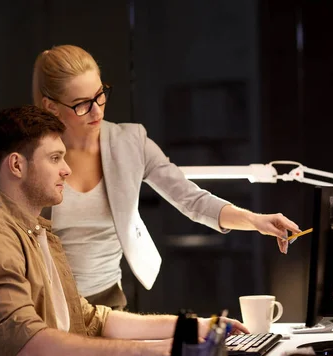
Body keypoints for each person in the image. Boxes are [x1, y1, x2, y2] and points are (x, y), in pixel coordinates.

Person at [0, 105, 248, 356]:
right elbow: (28, 343)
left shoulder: (39, 234)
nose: (67, 170)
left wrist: (192, 327)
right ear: (17, 165)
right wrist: (149, 352)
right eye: (54, 158)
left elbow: (90, 319)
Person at [32, 44, 303, 310]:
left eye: (100, 95)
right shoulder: (33, 154)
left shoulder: (129, 142)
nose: (97, 111)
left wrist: (256, 221)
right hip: (50, 306)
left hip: (109, 303)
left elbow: (191, 199)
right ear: (51, 106)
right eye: (82, 104)